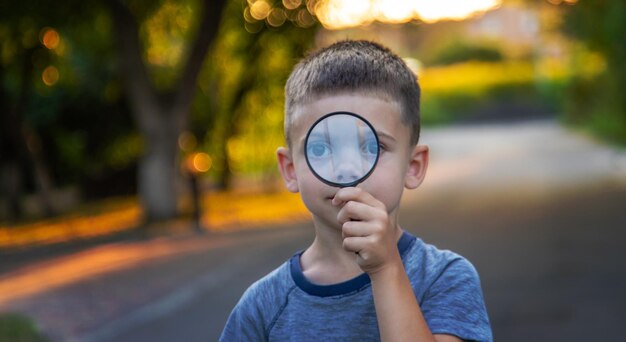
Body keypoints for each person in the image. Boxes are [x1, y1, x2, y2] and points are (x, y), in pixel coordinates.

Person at [220, 40, 492, 341]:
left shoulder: (445, 278)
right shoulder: (262, 307)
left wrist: (386, 268)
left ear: (413, 166)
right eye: (321, 148)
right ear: (290, 169)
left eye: (371, 146)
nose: (346, 170)